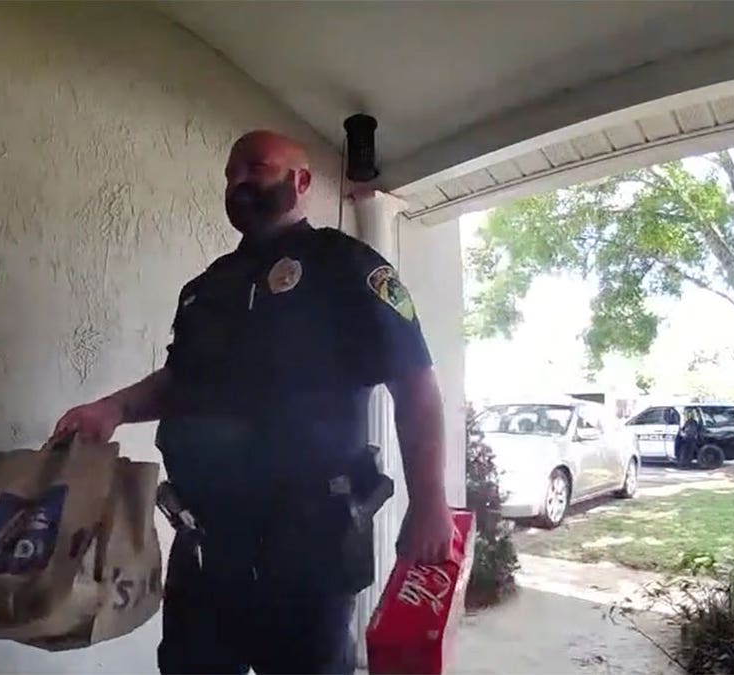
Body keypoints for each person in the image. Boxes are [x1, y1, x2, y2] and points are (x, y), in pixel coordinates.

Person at [54, 130, 452, 674]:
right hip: (205, 550)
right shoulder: (207, 287)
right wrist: (113, 409)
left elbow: (415, 384)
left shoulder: (347, 267)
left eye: (255, 167)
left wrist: (429, 502)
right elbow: (179, 381)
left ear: (301, 181)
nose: (238, 180)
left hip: (307, 554)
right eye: (230, 173)